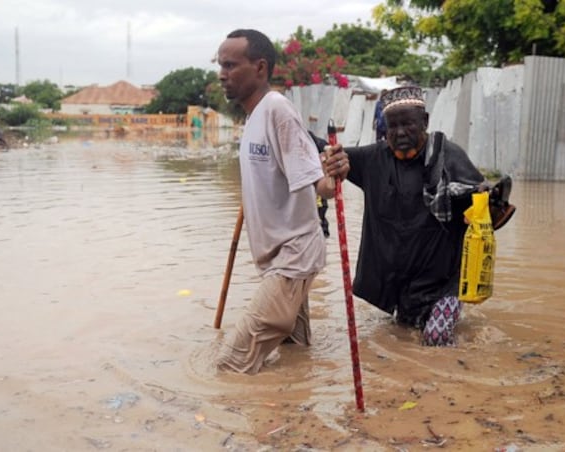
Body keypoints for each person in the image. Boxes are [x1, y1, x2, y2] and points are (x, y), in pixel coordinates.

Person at [322, 85, 515, 346]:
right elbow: (324, 149)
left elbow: (487, 215)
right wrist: (332, 158)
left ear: (424, 121)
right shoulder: (375, 159)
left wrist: (487, 204)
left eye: (408, 124)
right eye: (393, 126)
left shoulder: (450, 156)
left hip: (445, 282)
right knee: (400, 340)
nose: (400, 132)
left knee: (435, 338)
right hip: (402, 284)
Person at [213, 29, 338, 374]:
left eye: (230, 65)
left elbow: (320, 187)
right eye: (220, 65)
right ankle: (295, 418)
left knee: (229, 367)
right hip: (279, 258)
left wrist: (334, 175)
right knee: (296, 358)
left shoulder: (277, 110)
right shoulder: (253, 117)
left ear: (260, 68)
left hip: (293, 257)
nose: (222, 74)